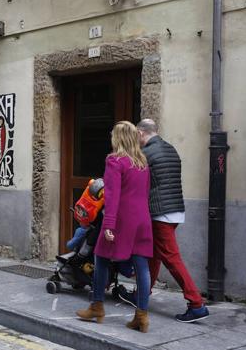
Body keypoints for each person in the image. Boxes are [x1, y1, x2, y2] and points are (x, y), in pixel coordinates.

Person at [118, 119, 209, 323]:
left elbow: (134, 183)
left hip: (160, 213)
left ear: (141, 133)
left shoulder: (147, 154)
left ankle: (196, 304)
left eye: (136, 136)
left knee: (171, 258)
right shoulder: (170, 149)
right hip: (175, 210)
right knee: (154, 255)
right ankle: (141, 294)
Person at [76, 121, 153, 333]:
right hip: (142, 220)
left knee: (100, 258)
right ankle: (142, 317)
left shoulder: (114, 161)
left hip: (121, 219)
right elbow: (144, 193)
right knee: (142, 266)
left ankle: (97, 307)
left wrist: (108, 224)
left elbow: (112, 196)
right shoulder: (142, 162)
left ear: (118, 138)